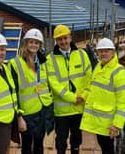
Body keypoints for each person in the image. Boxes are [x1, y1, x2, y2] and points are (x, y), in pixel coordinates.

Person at [80, 38, 125, 154]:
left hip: (109, 124)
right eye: (101, 51)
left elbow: (124, 101)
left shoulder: (119, 72)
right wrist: (83, 96)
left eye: (106, 51)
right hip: (100, 122)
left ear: (113, 52)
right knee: (103, 146)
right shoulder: (99, 67)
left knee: (108, 149)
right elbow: (91, 87)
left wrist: (117, 124)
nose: (103, 54)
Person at [46, 24, 92, 154]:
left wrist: (83, 96)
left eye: (65, 38)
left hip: (79, 108)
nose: (63, 42)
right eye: (59, 39)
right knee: (61, 140)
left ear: (70, 38)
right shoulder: (50, 59)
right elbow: (54, 84)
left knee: (77, 139)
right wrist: (72, 98)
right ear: (56, 41)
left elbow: (89, 79)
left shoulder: (82, 55)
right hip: (61, 111)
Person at [8, 28, 54, 154]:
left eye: (37, 42)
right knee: (27, 146)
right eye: (31, 42)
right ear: (26, 43)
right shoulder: (15, 64)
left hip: (43, 110)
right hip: (27, 113)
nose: (34, 45)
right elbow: (14, 93)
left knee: (39, 144)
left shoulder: (44, 63)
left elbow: (47, 85)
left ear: (40, 45)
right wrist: (19, 117)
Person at [0, 32, 23, 154]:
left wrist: (19, 117)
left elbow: (12, 96)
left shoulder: (5, 69)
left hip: (7, 123)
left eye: (2, 49)